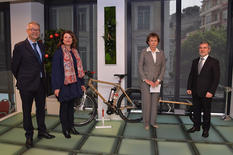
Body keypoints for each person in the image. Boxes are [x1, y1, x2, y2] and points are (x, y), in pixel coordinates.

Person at [11, 21, 55, 148]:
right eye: (32, 29)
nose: (35, 32)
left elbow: (40, 65)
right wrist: (23, 79)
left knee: (41, 110)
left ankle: (42, 131)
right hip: (26, 86)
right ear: (27, 31)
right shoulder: (20, 47)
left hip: (40, 84)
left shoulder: (41, 46)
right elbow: (14, 67)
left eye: (37, 30)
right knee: (26, 112)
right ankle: (29, 135)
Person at [51, 30, 85, 138]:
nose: (68, 39)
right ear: (62, 39)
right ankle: (65, 129)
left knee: (71, 107)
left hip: (74, 84)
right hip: (63, 85)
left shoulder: (75, 52)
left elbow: (78, 69)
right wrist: (56, 87)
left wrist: (82, 83)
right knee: (64, 108)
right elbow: (55, 71)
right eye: (65, 37)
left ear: (72, 39)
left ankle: (71, 127)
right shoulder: (58, 53)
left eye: (70, 37)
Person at [187, 41, 220, 138]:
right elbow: (191, 75)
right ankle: (196, 126)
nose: (202, 49)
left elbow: (216, 78)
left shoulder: (214, 62)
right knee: (196, 111)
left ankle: (206, 130)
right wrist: (189, 87)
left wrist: (211, 91)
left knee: (206, 112)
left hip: (207, 93)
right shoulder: (195, 61)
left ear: (209, 49)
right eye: (200, 48)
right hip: (195, 91)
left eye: (205, 47)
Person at [138, 32, 166, 130]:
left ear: (157, 42)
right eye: (151, 41)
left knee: (155, 103)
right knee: (146, 103)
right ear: (148, 42)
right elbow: (140, 67)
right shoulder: (144, 52)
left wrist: (159, 80)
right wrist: (146, 80)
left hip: (157, 83)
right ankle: (146, 123)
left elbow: (163, 67)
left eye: (155, 41)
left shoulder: (161, 53)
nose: (153, 43)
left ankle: (153, 122)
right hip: (146, 82)